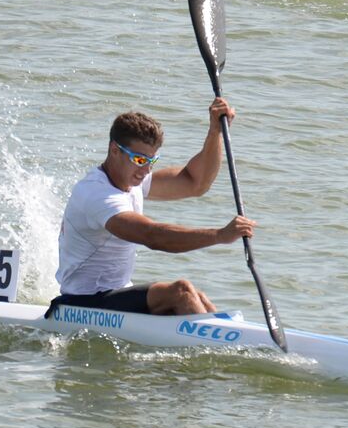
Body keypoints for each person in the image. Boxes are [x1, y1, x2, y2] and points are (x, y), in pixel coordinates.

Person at [50, 97, 255, 316]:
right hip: (81, 303)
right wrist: (219, 235)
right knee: (181, 292)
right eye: (139, 160)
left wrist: (215, 132)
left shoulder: (131, 180)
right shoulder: (98, 196)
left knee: (196, 295)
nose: (146, 170)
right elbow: (152, 236)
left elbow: (197, 182)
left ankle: (230, 338)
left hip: (116, 294)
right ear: (114, 150)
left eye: (152, 161)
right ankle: (220, 345)